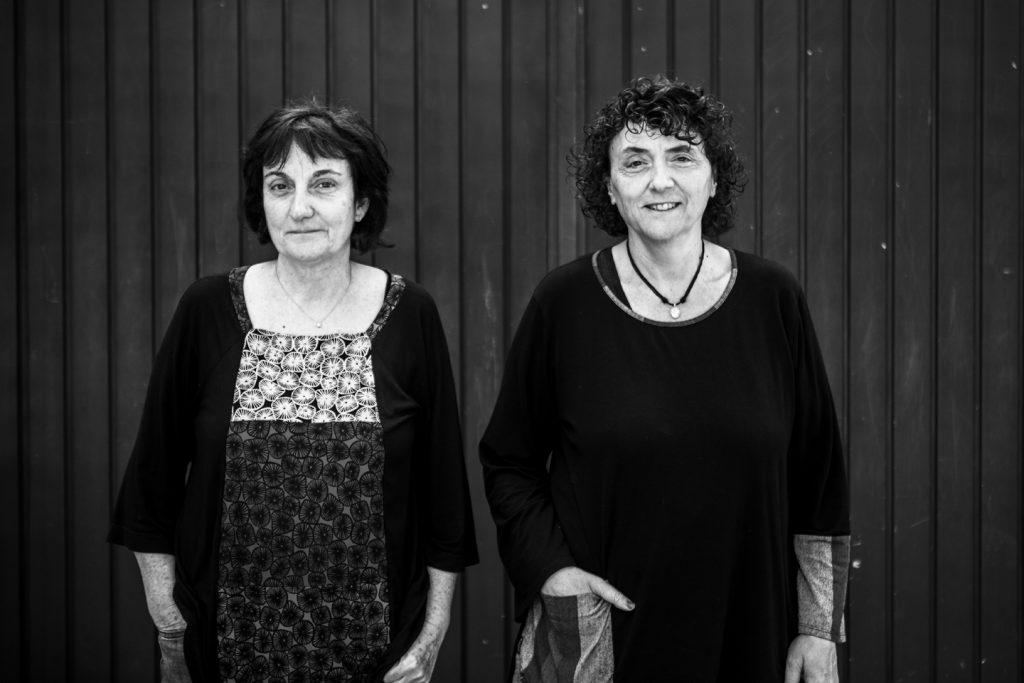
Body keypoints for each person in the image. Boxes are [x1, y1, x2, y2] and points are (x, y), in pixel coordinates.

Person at [480, 76, 849, 682]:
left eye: (682, 157)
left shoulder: (772, 299)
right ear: (609, 186)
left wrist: (817, 627)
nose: (660, 180)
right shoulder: (564, 303)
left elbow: (820, 478)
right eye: (635, 162)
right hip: (607, 641)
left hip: (751, 628)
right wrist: (554, 573)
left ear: (713, 177)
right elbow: (509, 462)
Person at [108, 102, 478, 682]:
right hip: (221, 656)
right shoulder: (208, 310)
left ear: (361, 203)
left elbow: (444, 499)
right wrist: (172, 625)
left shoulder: (409, 314)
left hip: (378, 660)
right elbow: (150, 488)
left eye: (324, 184)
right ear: (262, 201)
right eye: (280, 186)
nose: (299, 207)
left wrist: (430, 637)